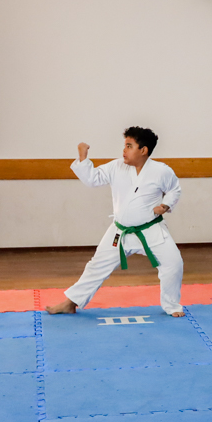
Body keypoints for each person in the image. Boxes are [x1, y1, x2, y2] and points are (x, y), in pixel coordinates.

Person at [46, 127, 185, 317]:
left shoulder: (161, 171)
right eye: (125, 145)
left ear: (143, 150)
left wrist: (165, 205)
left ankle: (172, 305)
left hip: (151, 230)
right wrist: (83, 157)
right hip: (120, 232)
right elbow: (93, 179)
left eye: (129, 146)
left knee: (173, 264)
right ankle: (70, 303)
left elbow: (174, 189)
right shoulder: (116, 166)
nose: (124, 150)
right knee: (97, 266)